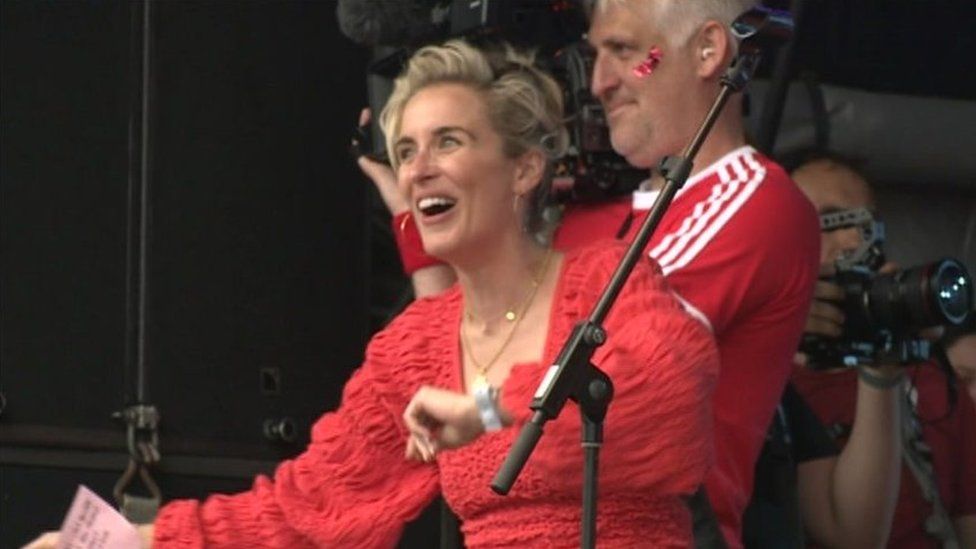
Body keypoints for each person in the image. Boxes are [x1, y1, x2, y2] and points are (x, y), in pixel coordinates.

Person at [27, 39, 719, 548]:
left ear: (523, 169)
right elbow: (304, 509)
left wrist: (487, 407)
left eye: (448, 141)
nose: (420, 170)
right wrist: (118, 542)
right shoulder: (415, 348)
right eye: (408, 151)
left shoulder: (603, 278)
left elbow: (667, 395)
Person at [367, 2, 820, 545]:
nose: (600, 82)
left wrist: (482, 404)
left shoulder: (754, 201)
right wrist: (422, 207)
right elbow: (452, 375)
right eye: (593, 55)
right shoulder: (589, 217)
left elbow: (584, 371)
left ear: (708, 51)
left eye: (624, 52)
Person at [789, 153, 976, 548]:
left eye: (862, 224)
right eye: (820, 222)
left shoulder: (931, 378)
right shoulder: (772, 393)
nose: (850, 242)